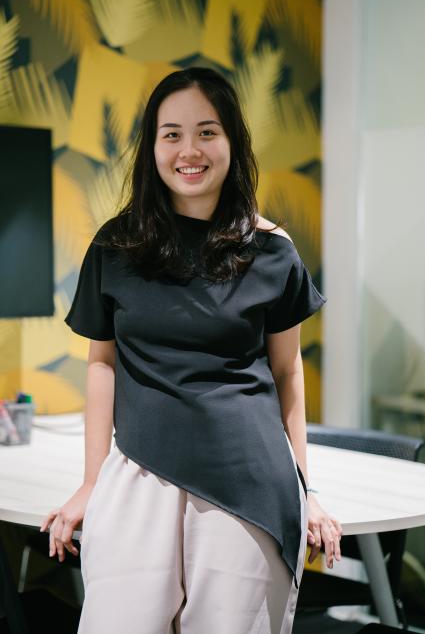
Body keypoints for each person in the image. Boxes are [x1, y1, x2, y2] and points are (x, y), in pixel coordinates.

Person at [40, 66, 342, 634]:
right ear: (153, 146)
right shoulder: (116, 245)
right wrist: (91, 481)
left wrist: (308, 490)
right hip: (137, 473)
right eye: (171, 133)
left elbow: (287, 373)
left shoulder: (273, 251)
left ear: (232, 142)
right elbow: (102, 362)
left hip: (249, 483)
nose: (189, 150)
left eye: (207, 131)